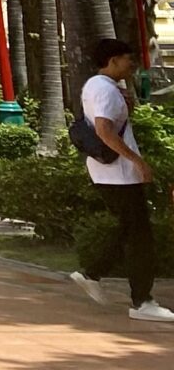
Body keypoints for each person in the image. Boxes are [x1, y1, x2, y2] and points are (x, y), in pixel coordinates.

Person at [70, 38, 171, 323]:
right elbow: (103, 130)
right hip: (120, 175)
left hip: (107, 173)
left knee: (130, 231)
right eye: (127, 58)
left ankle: (92, 272)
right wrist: (136, 161)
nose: (132, 63)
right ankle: (142, 301)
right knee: (140, 238)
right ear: (112, 60)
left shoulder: (96, 86)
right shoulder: (104, 89)